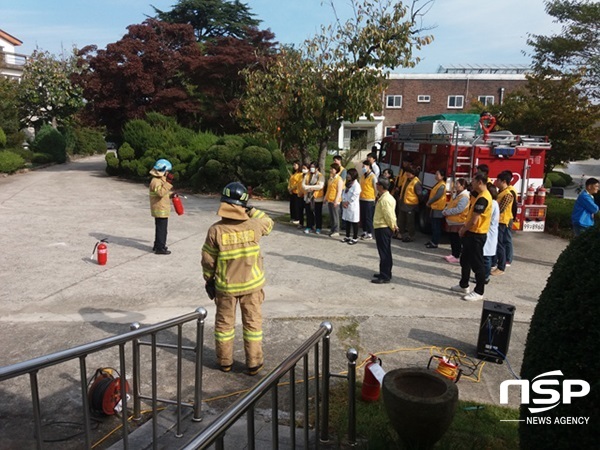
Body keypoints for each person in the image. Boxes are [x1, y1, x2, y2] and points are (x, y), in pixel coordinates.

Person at [201, 182, 274, 376]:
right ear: (243, 205)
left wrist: (209, 280)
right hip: (252, 286)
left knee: (224, 326)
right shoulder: (255, 225)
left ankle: (225, 362)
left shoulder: (215, 230)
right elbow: (269, 222)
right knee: (253, 325)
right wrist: (251, 210)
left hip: (226, 287)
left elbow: (208, 260)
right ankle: (254, 363)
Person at [451, 173, 492, 302]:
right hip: (471, 234)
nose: (471, 183)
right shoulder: (478, 195)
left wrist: (463, 229)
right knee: (465, 260)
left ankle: (479, 291)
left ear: (480, 182)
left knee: (477, 264)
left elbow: (474, 220)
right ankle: (464, 284)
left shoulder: (483, 198)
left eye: (473, 181)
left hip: (476, 234)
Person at [372, 177, 398, 284]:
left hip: (383, 228)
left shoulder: (386, 199)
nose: (376, 185)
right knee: (383, 251)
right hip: (380, 227)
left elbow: (389, 215)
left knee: (385, 252)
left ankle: (385, 275)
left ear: (382, 186)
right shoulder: (384, 197)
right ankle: (384, 271)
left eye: (378, 184)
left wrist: (393, 226)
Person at [491, 171, 515, 276]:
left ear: (503, 181)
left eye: (498, 180)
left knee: (500, 244)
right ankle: (494, 263)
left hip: (502, 221)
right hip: (497, 221)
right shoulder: (501, 191)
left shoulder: (508, 194)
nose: (496, 182)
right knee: (496, 243)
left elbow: (500, 209)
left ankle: (501, 266)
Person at [149, 158, 174, 255]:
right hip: (160, 209)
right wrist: (168, 183)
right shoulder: (155, 181)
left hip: (161, 208)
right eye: (167, 171)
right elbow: (160, 193)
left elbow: (164, 192)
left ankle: (157, 245)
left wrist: (172, 194)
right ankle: (160, 248)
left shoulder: (159, 180)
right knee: (162, 230)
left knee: (160, 229)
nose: (168, 173)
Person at [442, 178, 470, 264]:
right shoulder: (457, 195)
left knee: (456, 240)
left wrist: (447, 212)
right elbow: (451, 204)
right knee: (452, 239)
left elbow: (459, 209)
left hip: (459, 221)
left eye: (458, 184)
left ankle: (456, 255)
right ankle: (453, 254)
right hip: (452, 220)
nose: (455, 186)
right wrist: (445, 210)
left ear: (463, 186)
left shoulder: (464, 197)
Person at [396, 167, 422, 242]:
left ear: (413, 174)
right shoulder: (406, 179)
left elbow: (419, 194)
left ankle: (411, 236)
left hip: (411, 205)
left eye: (409, 173)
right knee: (401, 220)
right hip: (403, 202)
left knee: (410, 221)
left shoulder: (416, 182)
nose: (407, 174)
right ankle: (400, 234)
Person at [425, 169, 447, 249]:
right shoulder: (438, 184)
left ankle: (435, 242)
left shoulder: (442, 185)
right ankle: (433, 240)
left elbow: (437, 196)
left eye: (437, 174)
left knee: (436, 226)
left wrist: (429, 202)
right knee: (434, 226)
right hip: (435, 207)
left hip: (438, 208)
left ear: (442, 176)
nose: (435, 175)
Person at [302, 162, 325, 234]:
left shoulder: (320, 176)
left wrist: (310, 187)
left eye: (313, 167)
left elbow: (320, 186)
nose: (311, 168)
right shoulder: (307, 175)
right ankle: (309, 226)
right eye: (311, 167)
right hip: (308, 197)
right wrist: (308, 188)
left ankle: (318, 227)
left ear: (317, 168)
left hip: (317, 197)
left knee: (318, 213)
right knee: (308, 213)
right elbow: (303, 185)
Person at [483, 184, 499, 284]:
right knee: (485, 256)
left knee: (486, 257)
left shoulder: (492, 204)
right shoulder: (493, 203)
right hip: (489, 232)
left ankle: (485, 277)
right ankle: (483, 275)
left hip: (489, 232)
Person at [341, 168, 362, 245]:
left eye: (349, 174)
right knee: (347, 221)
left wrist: (347, 202)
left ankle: (355, 238)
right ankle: (347, 236)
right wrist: (343, 201)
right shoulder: (348, 184)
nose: (347, 176)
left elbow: (355, 195)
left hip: (352, 206)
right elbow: (343, 192)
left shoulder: (357, 185)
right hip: (346, 206)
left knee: (354, 222)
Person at [359, 160, 378, 240]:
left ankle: (369, 233)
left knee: (368, 217)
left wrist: (374, 197)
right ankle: (364, 232)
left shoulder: (373, 176)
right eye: (362, 166)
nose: (363, 168)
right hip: (362, 198)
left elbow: (376, 188)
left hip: (369, 199)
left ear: (369, 167)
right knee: (363, 216)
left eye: (364, 166)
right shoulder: (363, 176)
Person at [325, 163, 344, 237]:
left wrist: (336, 200)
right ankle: (332, 229)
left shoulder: (339, 179)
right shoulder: (330, 178)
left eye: (332, 169)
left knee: (335, 215)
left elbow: (339, 191)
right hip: (330, 199)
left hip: (335, 200)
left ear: (336, 170)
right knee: (332, 215)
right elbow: (328, 189)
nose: (331, 170)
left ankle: (336, 230)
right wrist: (325, 198)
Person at [287, 160, 303, 225]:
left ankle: (297, 218)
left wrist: (292, 188)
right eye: (293, 165)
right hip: (292, 192)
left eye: (295, 165)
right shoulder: (294, 174)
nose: (294, 166)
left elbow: (299, 183)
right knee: (292, 205)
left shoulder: (300, 174)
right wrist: (289, 188)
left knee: (297, 206)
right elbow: (290, 181)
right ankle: (292, 217)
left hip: (297, 191)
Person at [296, 163, 309, 229]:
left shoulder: (309, 176)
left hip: (306, 196)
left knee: (307, 211)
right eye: (303, 168)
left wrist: (304, 193)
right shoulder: (300, 175)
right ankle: (301, 223)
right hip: (299, 195)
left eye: (305, 168)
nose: (303, 170)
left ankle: (309, 224)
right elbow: (298, 184)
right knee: (300, 210)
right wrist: (299, 192)